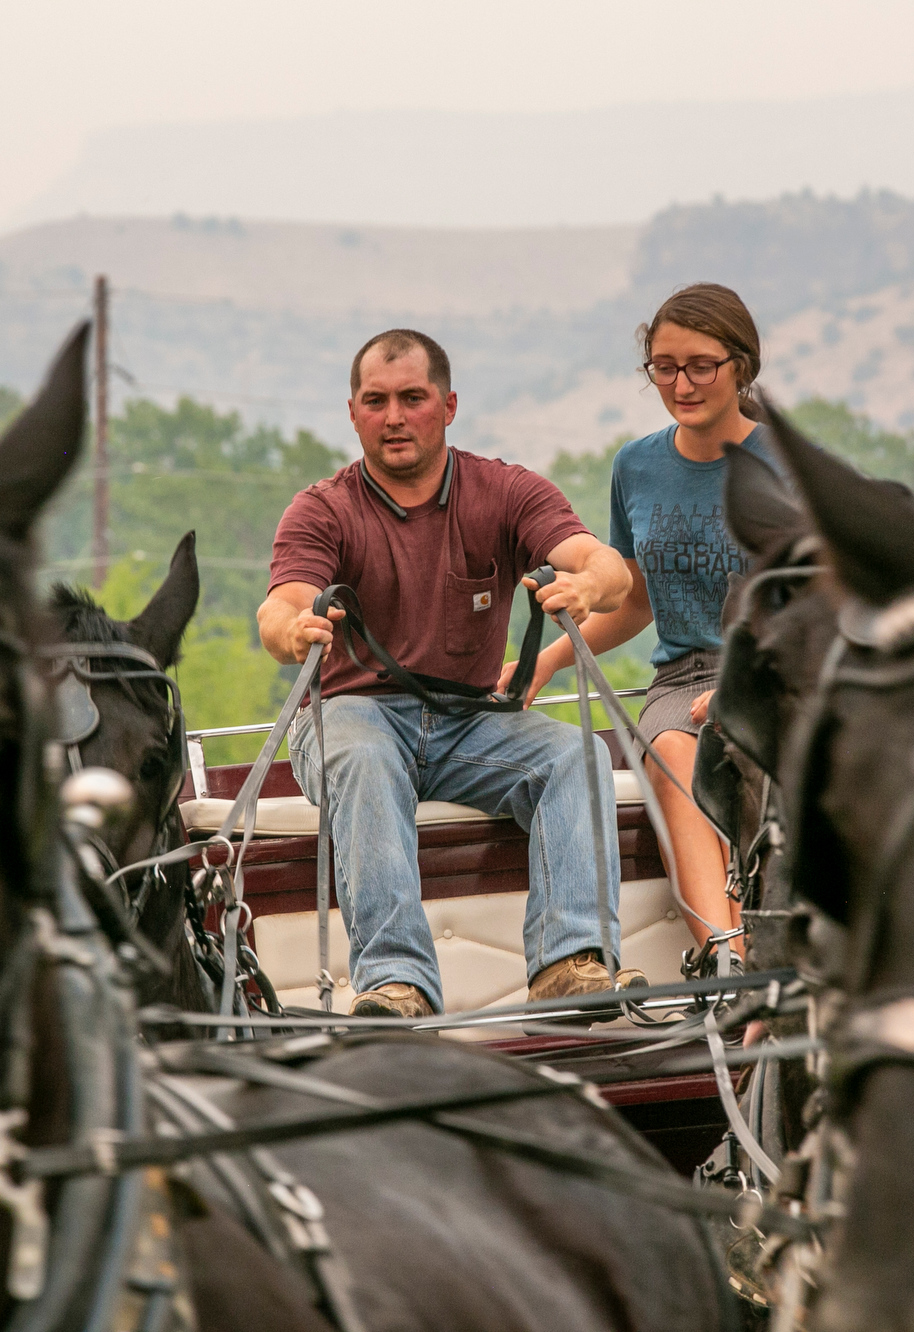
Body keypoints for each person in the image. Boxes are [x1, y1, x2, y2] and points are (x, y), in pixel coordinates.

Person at [259, 329, 641, 1019]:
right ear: (353, 414)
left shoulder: (506, 490)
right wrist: (290, 629)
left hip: (470, 721)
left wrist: (588, 587)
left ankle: (570, 964)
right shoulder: (323, 508)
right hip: (351, 716)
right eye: (376, 401)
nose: (395, 416)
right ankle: (397, 985)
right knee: (366, 755)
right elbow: (280, 606)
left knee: (574, 753)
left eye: (413, 397)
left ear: (450, 404)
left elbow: (604, 565)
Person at [506, 284, 783, 973]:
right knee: (669, 752)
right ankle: (727, 964)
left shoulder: (786, 465)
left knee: (750, 753)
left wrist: (747, 686)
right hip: (681, 677)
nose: (681, 383)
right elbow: (633, 599)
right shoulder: (637, 466)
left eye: (699, 365)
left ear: (740, 365)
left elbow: (817, 599)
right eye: (664, 367)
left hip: (778, 669)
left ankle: (775, 950)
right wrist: (545, 663)